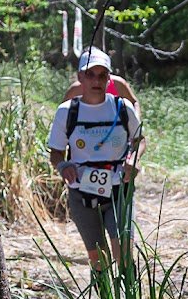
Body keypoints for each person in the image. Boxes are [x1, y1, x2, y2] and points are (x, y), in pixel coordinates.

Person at [47, 47, 145, 271]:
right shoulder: (66, 111)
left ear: (109, 78)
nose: (96, 80)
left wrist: (134, 160)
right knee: (98, 260)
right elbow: (55, 152)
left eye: (102, 75)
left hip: (119, 189)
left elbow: (140, 140)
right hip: (82, 193)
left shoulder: (122, 107)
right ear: (80, 77)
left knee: (124, 254)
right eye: (90, 74)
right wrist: (63, 166)